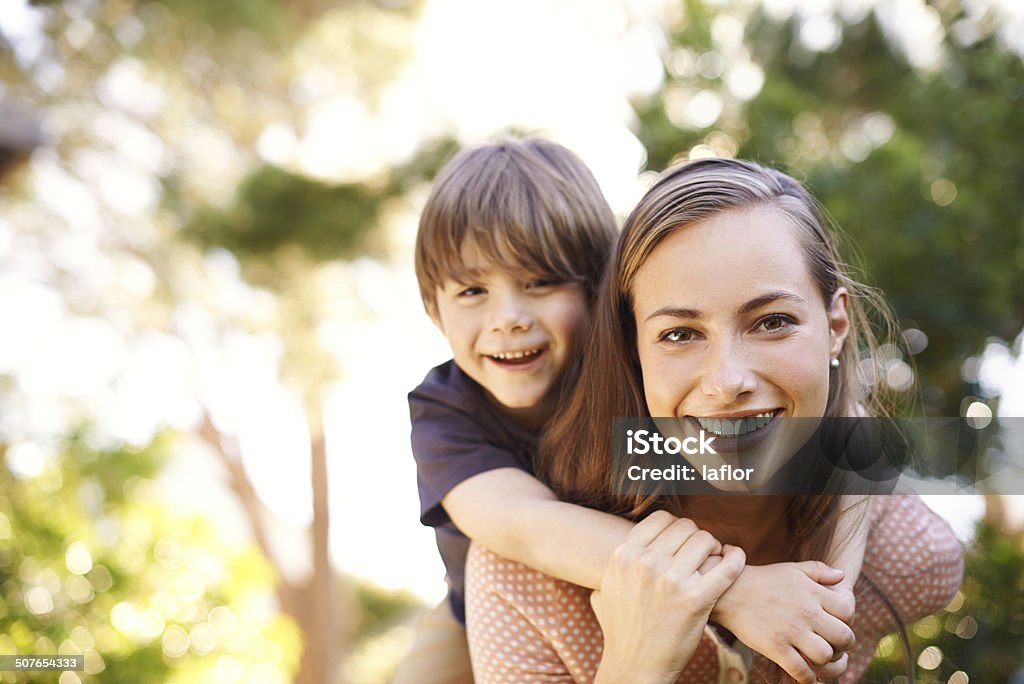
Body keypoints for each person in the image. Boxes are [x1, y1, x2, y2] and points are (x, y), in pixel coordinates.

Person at [465, 158, 964, 683]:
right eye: (680, 334)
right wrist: (637, 667)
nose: (727, 381)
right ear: (633, 348)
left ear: (835, 324)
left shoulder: (908, 557)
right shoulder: (525, 577)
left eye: (773, 322)